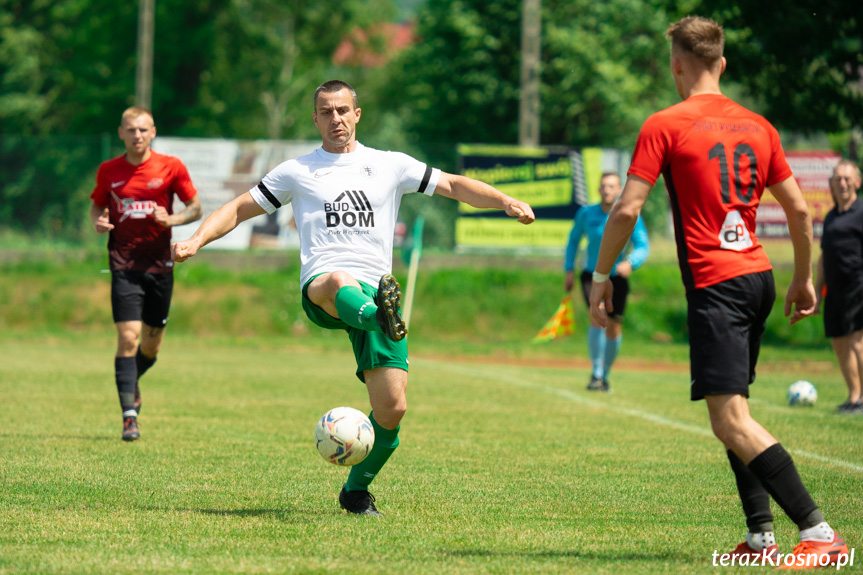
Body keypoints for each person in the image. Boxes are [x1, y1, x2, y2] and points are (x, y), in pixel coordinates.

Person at [171, 80, 535, 516]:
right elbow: (237, 209)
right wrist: (196, 240)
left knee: (392, 408)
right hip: (327, 288)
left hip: (377, 289)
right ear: (315, 118)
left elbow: (454, 186)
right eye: (326, 112)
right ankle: (374, 314)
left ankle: (355, 491)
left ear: (357, 114)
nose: (336, 119)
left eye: (343, 110)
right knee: (338, 278)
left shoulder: (390, 165)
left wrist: (506, 200)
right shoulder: (297, 171)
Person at [588, 16, 848, 567]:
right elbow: (801, 210)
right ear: (723, 64)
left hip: (718, 284)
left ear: (676, 66)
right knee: (735, 411)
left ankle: (821, 532)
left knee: (729, 419)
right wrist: (803, 278)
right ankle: (759, 537)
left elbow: (628, 208)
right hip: (758, 277)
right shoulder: (759, 125)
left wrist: (601, 275)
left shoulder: (666, 123)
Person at [90, 106, 202, 442]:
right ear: (121, 133)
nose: (137, 135)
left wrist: (172, 220)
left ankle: (130, 381)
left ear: (152, 132)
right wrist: (98, 220)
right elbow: (98, 204)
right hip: (124, 264)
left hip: (160, 266)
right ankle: (129, 416)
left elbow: (195, 207)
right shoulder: (109, 170)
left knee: (151, 346)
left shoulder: (170, 166)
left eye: (143, 130)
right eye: (130, 129)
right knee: (128, 338)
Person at [564, 172, 649, 392]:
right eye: (604, 186)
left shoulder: (630, 214)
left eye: (612, 186)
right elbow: (573, 240)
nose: (607, 190)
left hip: (617, 277)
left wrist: (631, 263)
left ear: (620, 189)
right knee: (597, 317)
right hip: (592, 275)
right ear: (598, 189)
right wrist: (568, 269)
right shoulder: (586, 213)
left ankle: (606, 375)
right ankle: (596, 373)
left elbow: (642, 245)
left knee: (614, 327)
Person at [815, 160, 863, 415]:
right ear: (831, 184)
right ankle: (854, 397)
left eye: (846, 178)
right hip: (834, 289)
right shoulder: (831, 217)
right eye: (837, 179)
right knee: (839, 342)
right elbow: (823, 256)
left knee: (857, 340)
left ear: (857, 182)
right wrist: (816, 293)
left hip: (858, 285)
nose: (842, 183)